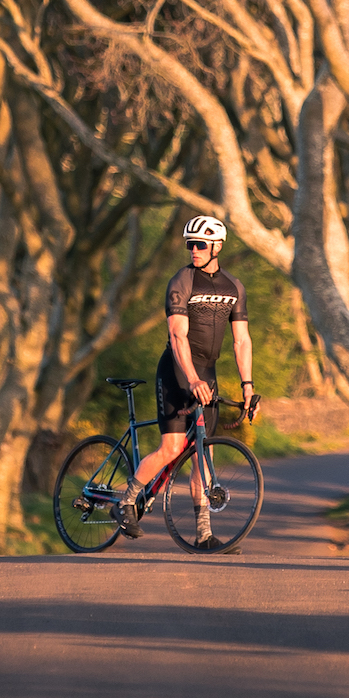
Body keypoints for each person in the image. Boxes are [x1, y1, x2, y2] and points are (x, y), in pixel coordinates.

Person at [114, 215, 258, 548]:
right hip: (178, 371)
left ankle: (204, 534)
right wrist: (191, 379)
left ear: (217, 246)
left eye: (200, 245)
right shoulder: (182, 281)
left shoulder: (234, 287)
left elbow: (242, 341)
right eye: (189, 244)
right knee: (173, 447)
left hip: (208, 373)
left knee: (200, 454)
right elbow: (178, 335)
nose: (193, 250)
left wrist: (247, 385)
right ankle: (126, 502)